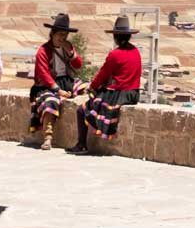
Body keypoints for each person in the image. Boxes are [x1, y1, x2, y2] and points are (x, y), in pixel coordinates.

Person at [76, 14, 142, 153]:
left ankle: (82, 144)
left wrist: (92, 87)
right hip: (133, 94)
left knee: (82, 109)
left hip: (118, 94)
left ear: (115, 37)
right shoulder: (136, 51)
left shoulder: (115, 54)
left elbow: (102, 75)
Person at [27, 13, 86, 150]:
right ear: (52, 33)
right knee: (50, 102)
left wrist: (71, 53)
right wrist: (58, 91)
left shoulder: (68, 47)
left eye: (65, 35)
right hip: (47, 85)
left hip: (66, 81)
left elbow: (78, 65)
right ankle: (48, 137)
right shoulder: (43, 51)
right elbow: (44, 74)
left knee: (85, 87)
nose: (62, 38)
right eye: (59, 34)